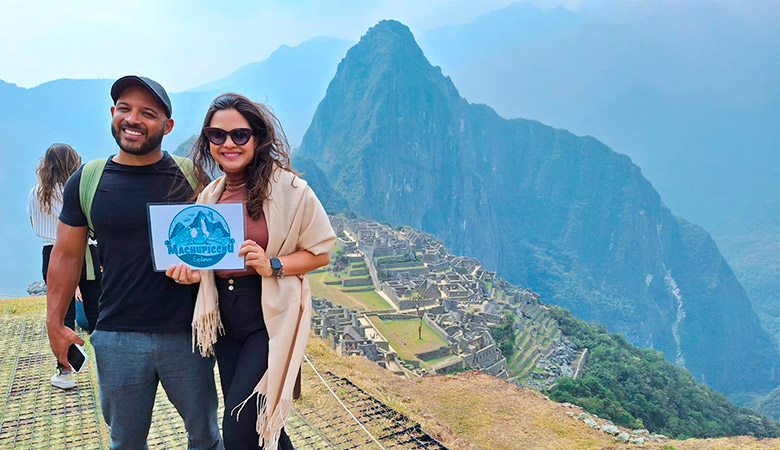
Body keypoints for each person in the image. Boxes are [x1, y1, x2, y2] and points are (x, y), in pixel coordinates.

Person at [46, 75, 223, 450]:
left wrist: (201, 271)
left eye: (147, 113)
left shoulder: (191, 177)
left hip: (187, 333)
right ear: (113, 114)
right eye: (124, 109)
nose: (133, 119)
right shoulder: (88, 179)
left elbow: (218, 243)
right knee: (125, 442)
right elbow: (66, 254)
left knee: (206, 437)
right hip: (117, 333)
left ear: (167, 125)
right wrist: (54, 323)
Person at [166, 93, 335, 449]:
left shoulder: (290, 190)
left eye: (240, 135)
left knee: (239, 425)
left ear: (257, 138)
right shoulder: (209, 197)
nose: (228, 143)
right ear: (207, 141)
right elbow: (208, 261)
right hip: (225, 319)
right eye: (217, 135)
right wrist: (194, 273)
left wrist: (273, 264)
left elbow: (320, 253)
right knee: (260, 422)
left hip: (268, 315)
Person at [29, 143, 101, 390]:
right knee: (98, 313)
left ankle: (65, 372)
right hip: (88, 252)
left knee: (60, 316)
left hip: (52, 253)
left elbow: (33, 223)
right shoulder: (81, 190)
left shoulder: (35, 194)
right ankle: (108, 370)